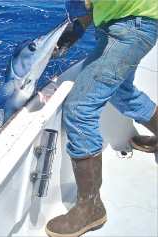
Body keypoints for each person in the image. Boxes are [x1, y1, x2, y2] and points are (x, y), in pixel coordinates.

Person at [45, 0, 158, 237]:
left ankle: (90, 207)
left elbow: (85, 3)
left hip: (129, 28)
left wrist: (78, 11)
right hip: (132, 26)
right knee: (121, 93)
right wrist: (76, 30)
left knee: (79, 108)